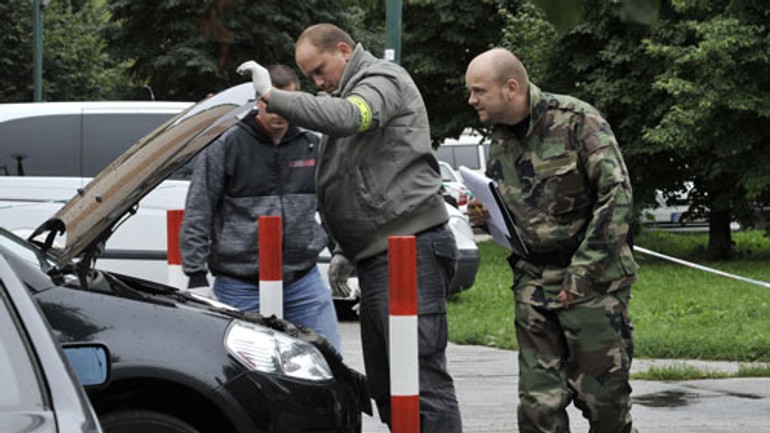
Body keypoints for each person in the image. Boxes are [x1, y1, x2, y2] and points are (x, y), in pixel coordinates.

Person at [237, 23, 462, 433]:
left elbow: (351, 118)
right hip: (380, 253)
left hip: (410, 249)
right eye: (311, 78)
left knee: (420, 383)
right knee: (390, 387)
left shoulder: (380, 80)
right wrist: (343, 249)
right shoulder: (347, 93)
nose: (318, 83)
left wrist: (274, 97)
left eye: (320, 70)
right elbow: (352, 174)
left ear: (344, 50)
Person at [464, 47, 639, 433]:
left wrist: (582, 274)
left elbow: (618, 197)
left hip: (593, 285)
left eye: (478, 91)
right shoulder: (500, 139)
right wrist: (486, 214)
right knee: (538, 408)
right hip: (534, 285)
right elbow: (516, 206)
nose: (471, 100)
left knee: (605, 406)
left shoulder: (577, 121)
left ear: (511, 88)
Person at [179, 64, 342, 352]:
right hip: (240, 281)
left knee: (330, 359)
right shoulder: (226, 144)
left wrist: (342, 254)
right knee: (245, 369)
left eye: (286, 104)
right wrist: (195, 275)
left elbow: (332, 207)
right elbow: (199, 208)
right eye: (269, 104)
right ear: (257, 100)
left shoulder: (311, 144)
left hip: (302, 278)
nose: (278, 113)